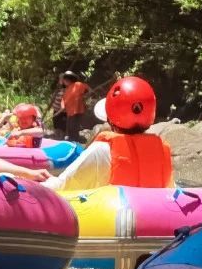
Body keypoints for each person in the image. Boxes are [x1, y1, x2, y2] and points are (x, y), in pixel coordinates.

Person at [42, 76, 174, 191]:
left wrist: (41, 184)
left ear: (110, 117)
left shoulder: (102, 150)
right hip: (156, 217)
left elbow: (63, 186)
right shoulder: (162, 150)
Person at [50, 70, 90, 143]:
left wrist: (85, 96)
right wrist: (56, 113)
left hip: (74, 111)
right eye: (63, 79)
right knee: (70, 128)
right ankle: (71, 140)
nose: (64, 80)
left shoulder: (76, 86)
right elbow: (62, 107)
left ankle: (74, 140)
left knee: (73, 127)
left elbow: (88, 90)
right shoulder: (65, 91)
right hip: (69, 112)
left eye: (65, 79)